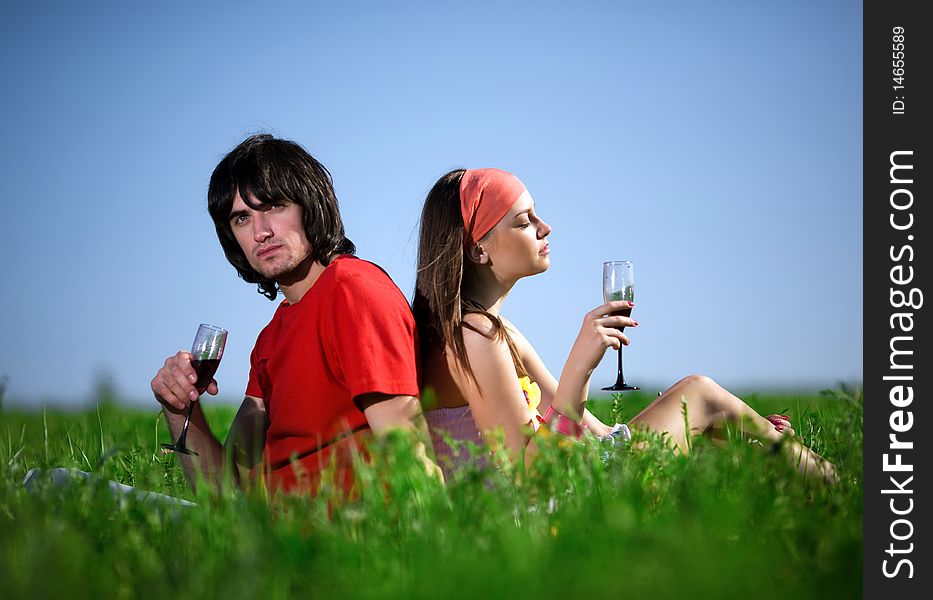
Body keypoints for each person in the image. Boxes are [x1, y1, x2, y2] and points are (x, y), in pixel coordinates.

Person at [413, 168, 835, 483]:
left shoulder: (492, 332)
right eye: (524, 221)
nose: (546, 227)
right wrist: (579, 368)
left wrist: (738, 423)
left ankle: (804, 475)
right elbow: (530, 477)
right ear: (479, 251)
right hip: (548, 513)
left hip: (568, 482)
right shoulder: (475, 338)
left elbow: (589, 431)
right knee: (700, 395)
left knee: (708, 411)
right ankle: (839, 491)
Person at [150, 134, 440, 496]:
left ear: (310, 205)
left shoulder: (354, 291)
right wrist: (179, 410)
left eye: (274, 206)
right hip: (266, 540)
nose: (261, 232)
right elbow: (224, 495)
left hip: (338, 541)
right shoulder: (271, 337)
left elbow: (409, 454)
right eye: (242, 218)